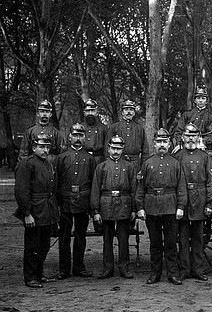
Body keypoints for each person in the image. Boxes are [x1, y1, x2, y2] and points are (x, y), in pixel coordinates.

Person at [136, 129, 187, 285]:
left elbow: (181, 187)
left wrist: (180, 206)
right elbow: (141, 188)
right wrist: (140, 207)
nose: (162, 145)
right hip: (152, 206)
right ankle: (155, 273)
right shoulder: (147, 163)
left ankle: (172, 274)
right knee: (155, 243)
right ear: (154, 144)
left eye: (165, 142)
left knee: (171, 243)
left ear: (169, 143)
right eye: (159, 142)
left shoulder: (175, 163)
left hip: (171, 207)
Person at [14, 133, 59, 288]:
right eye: (41, 146)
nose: (45, 150)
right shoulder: (26, 164)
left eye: (47, 147)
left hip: (47, 209)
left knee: (44, 245)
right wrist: (27, 213)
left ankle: (39, 274)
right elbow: (21, 190)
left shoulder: (47, 164)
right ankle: (30, 276)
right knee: (32, 245)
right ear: (34, 148)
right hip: (34, 210)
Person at [91, 135, 137, 279]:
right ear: (108, 148)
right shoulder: (101, 167)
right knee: (107, 239)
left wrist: (134, 209)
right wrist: (96, 211)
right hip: (106, 203)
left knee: (124, 239)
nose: (116, 152)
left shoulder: (129, 167)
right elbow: (95, 189)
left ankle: (124, 268)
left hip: (124, 203)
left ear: (123, 150)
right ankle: (108, 268)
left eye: (119, 149)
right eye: (113, 148)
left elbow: (134, 189)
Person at [175, 123, 212, 281]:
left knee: (198, 238)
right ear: (183, 137)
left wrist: (209, 204)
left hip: (200, 199)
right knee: (183, 238)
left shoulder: (205, 157)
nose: (190, 139)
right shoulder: (178, 156)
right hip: (184, 200)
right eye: (188, 136)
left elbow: (211, 182)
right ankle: (184, 270)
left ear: (198, 137)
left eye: (193, 136)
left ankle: (198, 270)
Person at [56, 123, 96, 280]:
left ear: (84, 138)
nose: (78, 139)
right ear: (70, 137)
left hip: (83, 202)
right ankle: (64, 269)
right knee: (64, 236)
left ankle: (79, 267)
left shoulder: (90, 159)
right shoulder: (62, 158)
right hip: (65, 201)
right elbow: (56, 182)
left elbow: (94, 183)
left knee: (80, 236)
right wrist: (58, 203)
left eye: (81, 136)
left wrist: (92, 206)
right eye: (75, 135)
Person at [107, 100, 149, 174]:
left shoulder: (139, 128)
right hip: (118, 161)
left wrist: (143, 167)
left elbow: (145, 149)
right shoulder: (114, 127)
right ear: (122, 112)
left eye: (131, 110)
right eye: (126, 110)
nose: (128, 112)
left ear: (134, 113)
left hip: (135, 163)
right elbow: (107, 146)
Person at [19, 100, 64, 166]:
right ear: (37, 113)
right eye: (42, 111)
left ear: (51, 114)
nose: (45, 114)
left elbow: (62, 154)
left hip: (50, 167)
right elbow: (23, 153)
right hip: (33, 167)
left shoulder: (56, 133)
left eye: (47, 111)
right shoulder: (29, 132)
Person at [82, 99, 108, 164]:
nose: (90, 113)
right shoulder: (80, 128)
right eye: (87, 111)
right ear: (84, 112)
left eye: (92, 111)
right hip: (82, 159)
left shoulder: (104, 128)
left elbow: (107, 147)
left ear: (97, 112)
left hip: (99, 160)